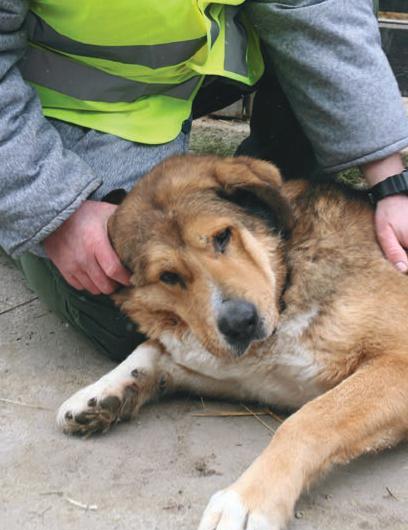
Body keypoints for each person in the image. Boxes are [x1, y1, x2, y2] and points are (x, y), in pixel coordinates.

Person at [1, 0, 408, 361]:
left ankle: (269, 200)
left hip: (197, 69)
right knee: (133, 320)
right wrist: (51, 209)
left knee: (287, 251)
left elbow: (316, 6)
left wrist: (388, 180)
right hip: (70, 113)